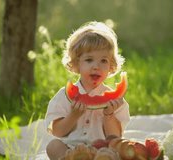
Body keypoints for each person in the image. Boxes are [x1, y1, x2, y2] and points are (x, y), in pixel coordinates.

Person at [45, 21, 130, 160]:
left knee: (116, 150)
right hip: (71, 149)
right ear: (77, 64)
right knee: (53, 146)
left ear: (111, 66)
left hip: (102, 149)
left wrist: (109, 115)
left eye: (103, 61)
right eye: (89, 60)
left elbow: (115, 137)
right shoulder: (63, 96)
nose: (96, 66)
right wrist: (73, 115)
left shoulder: (116, 102)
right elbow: (57, 131)